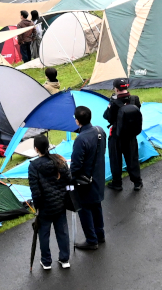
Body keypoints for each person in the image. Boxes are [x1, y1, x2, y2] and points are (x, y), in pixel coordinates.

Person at [28, 135, 72, 269]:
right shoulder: (59, 160)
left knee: (44, 234)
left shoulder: (34, 166)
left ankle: (46, 261)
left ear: (36, 149)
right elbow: (69, 180)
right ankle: (65, 260)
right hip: (60, 204)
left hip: (45, 207)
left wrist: (38, 207)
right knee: (62, 232)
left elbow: (35, 191)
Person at [70, 106, 106, 250]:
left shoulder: (80, 139)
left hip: (85, 180)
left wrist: (71, 177)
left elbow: (76, 165)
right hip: (98, 174)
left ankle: (91, 240)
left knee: (84, 208)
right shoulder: (100, 131)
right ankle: (100, 234)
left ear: (78, 121)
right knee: (96, 205)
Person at [103, 78, 143, 191]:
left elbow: (107, 117)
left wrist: (110, 106)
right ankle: (137, 182)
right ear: (126, 87)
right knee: (132, 158)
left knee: (115, 160)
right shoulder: (135, 99)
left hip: (117, 135)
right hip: (131, 134)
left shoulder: (114, 103)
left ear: (116, 89)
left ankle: (117, 183)